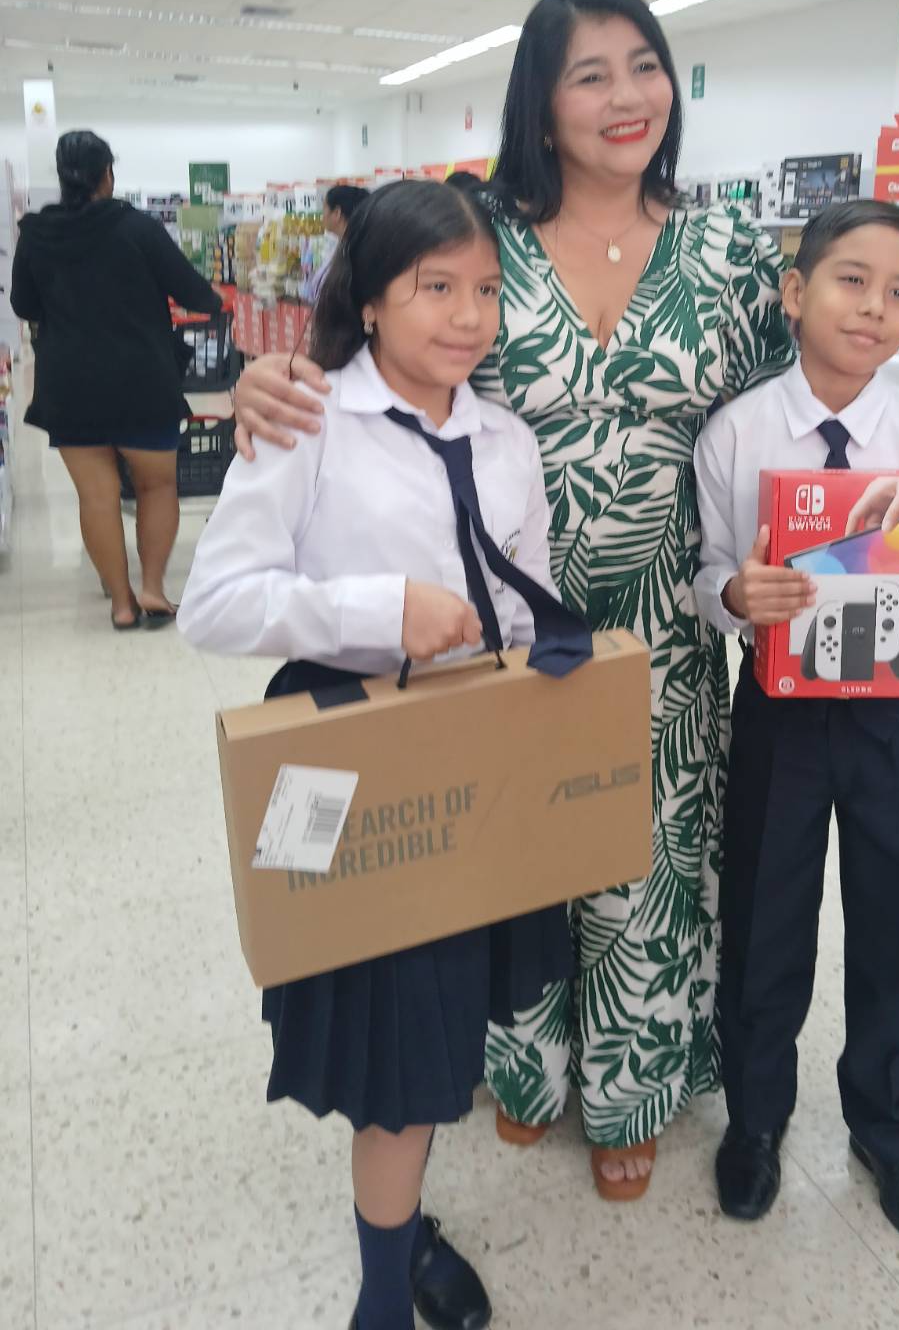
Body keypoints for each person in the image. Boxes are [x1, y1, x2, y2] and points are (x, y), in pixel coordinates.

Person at [230, 0, 899, 1204]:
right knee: (510, 839)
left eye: (646, 66)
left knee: (645, 852)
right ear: (541, 100)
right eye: (590, 74)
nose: (627, 95)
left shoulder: (726, 250)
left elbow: (817, 389)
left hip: (669, 620)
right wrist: (269, 384)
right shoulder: (481, 234)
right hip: (494, 618)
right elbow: (374, 337)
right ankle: (524, 1063)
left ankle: (633, 1086)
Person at [178, 179, 578, 1330]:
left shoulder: (506, 441)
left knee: (441, 1025)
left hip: (472, 750)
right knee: (395, 1056)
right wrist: (376, 608)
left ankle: (401, 1232)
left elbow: (525, 587)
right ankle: (380, 1291)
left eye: (486, 291)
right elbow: (215, 605)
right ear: (369, 298)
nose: (467, 317)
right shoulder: (305, 420)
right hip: (346, 753)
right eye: (434, 287)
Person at [693, 200, 899, 1248]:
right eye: (851, 280)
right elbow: (710, 571)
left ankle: (887, 1126)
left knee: (893, 916)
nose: (873, 308)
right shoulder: (737, 435)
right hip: (781, 711)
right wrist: (739, 596)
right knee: (765, 914)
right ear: (796, 291)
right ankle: (756, 1116)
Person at [10, 129, 222, 630]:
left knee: (97, 498)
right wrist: (209, 300)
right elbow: (195, 294)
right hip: (142, 379)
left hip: (69, 384)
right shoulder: (137, 227)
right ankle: (153, 590)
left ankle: (121, 604)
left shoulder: (36, 232)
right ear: (107, 174)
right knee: (157, 486)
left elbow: (23, 304)